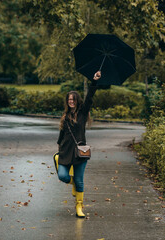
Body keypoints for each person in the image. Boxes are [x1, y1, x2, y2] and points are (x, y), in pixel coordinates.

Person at [55, 71, 101, 218]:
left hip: (80, 152)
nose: (71, 101)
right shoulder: (65, 116)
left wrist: (94, 81)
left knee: (80, 182)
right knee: (62, 176)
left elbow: (90, 98)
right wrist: (59, 147)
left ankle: (79, 207)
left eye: (73, 99)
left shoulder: (82, 113)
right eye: (69, 99)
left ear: (77, 100)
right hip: (66, 152)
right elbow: (61, 135)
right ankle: (73, 182)